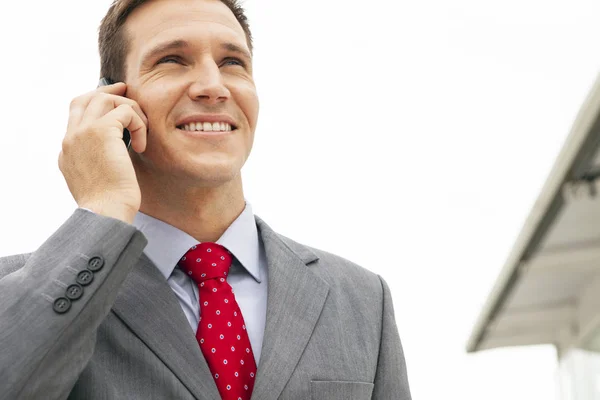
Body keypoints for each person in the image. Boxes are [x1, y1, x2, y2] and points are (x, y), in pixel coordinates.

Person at [0, 0, 411, 399]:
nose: (214, 86)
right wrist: (104, 207)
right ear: (112, 101)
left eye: (233, 63)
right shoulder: (22, 287)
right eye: (172, 60)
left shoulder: (361, 298)